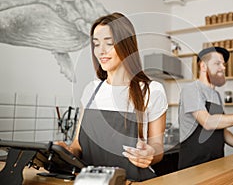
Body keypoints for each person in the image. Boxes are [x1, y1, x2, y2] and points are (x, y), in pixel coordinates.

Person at [57, 12, 168, 181]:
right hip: (90, 182)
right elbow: (78, 145)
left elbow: (157, 146)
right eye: (96, 44)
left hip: (132, 181)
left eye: (109, 43)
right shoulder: (91, 90)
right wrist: (64, 152)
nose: (101, 51)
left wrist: (150, 154)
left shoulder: (152, 90)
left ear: (126, 45)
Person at [178, 46, 233, 170]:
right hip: (193, 166)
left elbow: (222, 132)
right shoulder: (191, 90)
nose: (223, 67)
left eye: (223, 64)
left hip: (216, 163)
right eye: (217, 63)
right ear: (203, 66)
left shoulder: (215, 95)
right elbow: (208, 122)